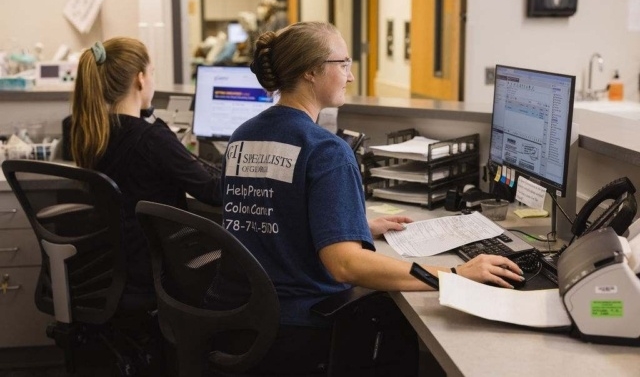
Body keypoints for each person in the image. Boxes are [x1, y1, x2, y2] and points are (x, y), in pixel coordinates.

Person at [206, 22, 524, 375]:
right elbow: (347, 266)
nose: (351, 76)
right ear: (312, 71)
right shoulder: (326, 151)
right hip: (296, 328)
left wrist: (350, 226)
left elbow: (266, 215)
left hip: (234, 321)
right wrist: (453, 274)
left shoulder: (243, 135)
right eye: (343, 64)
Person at [70, 37, 222, 297]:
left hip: (113, 265)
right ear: (140, 79)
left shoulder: (92, 134)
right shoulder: (152, 139)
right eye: (152, 73)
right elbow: (213, 192)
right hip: (156, 268)